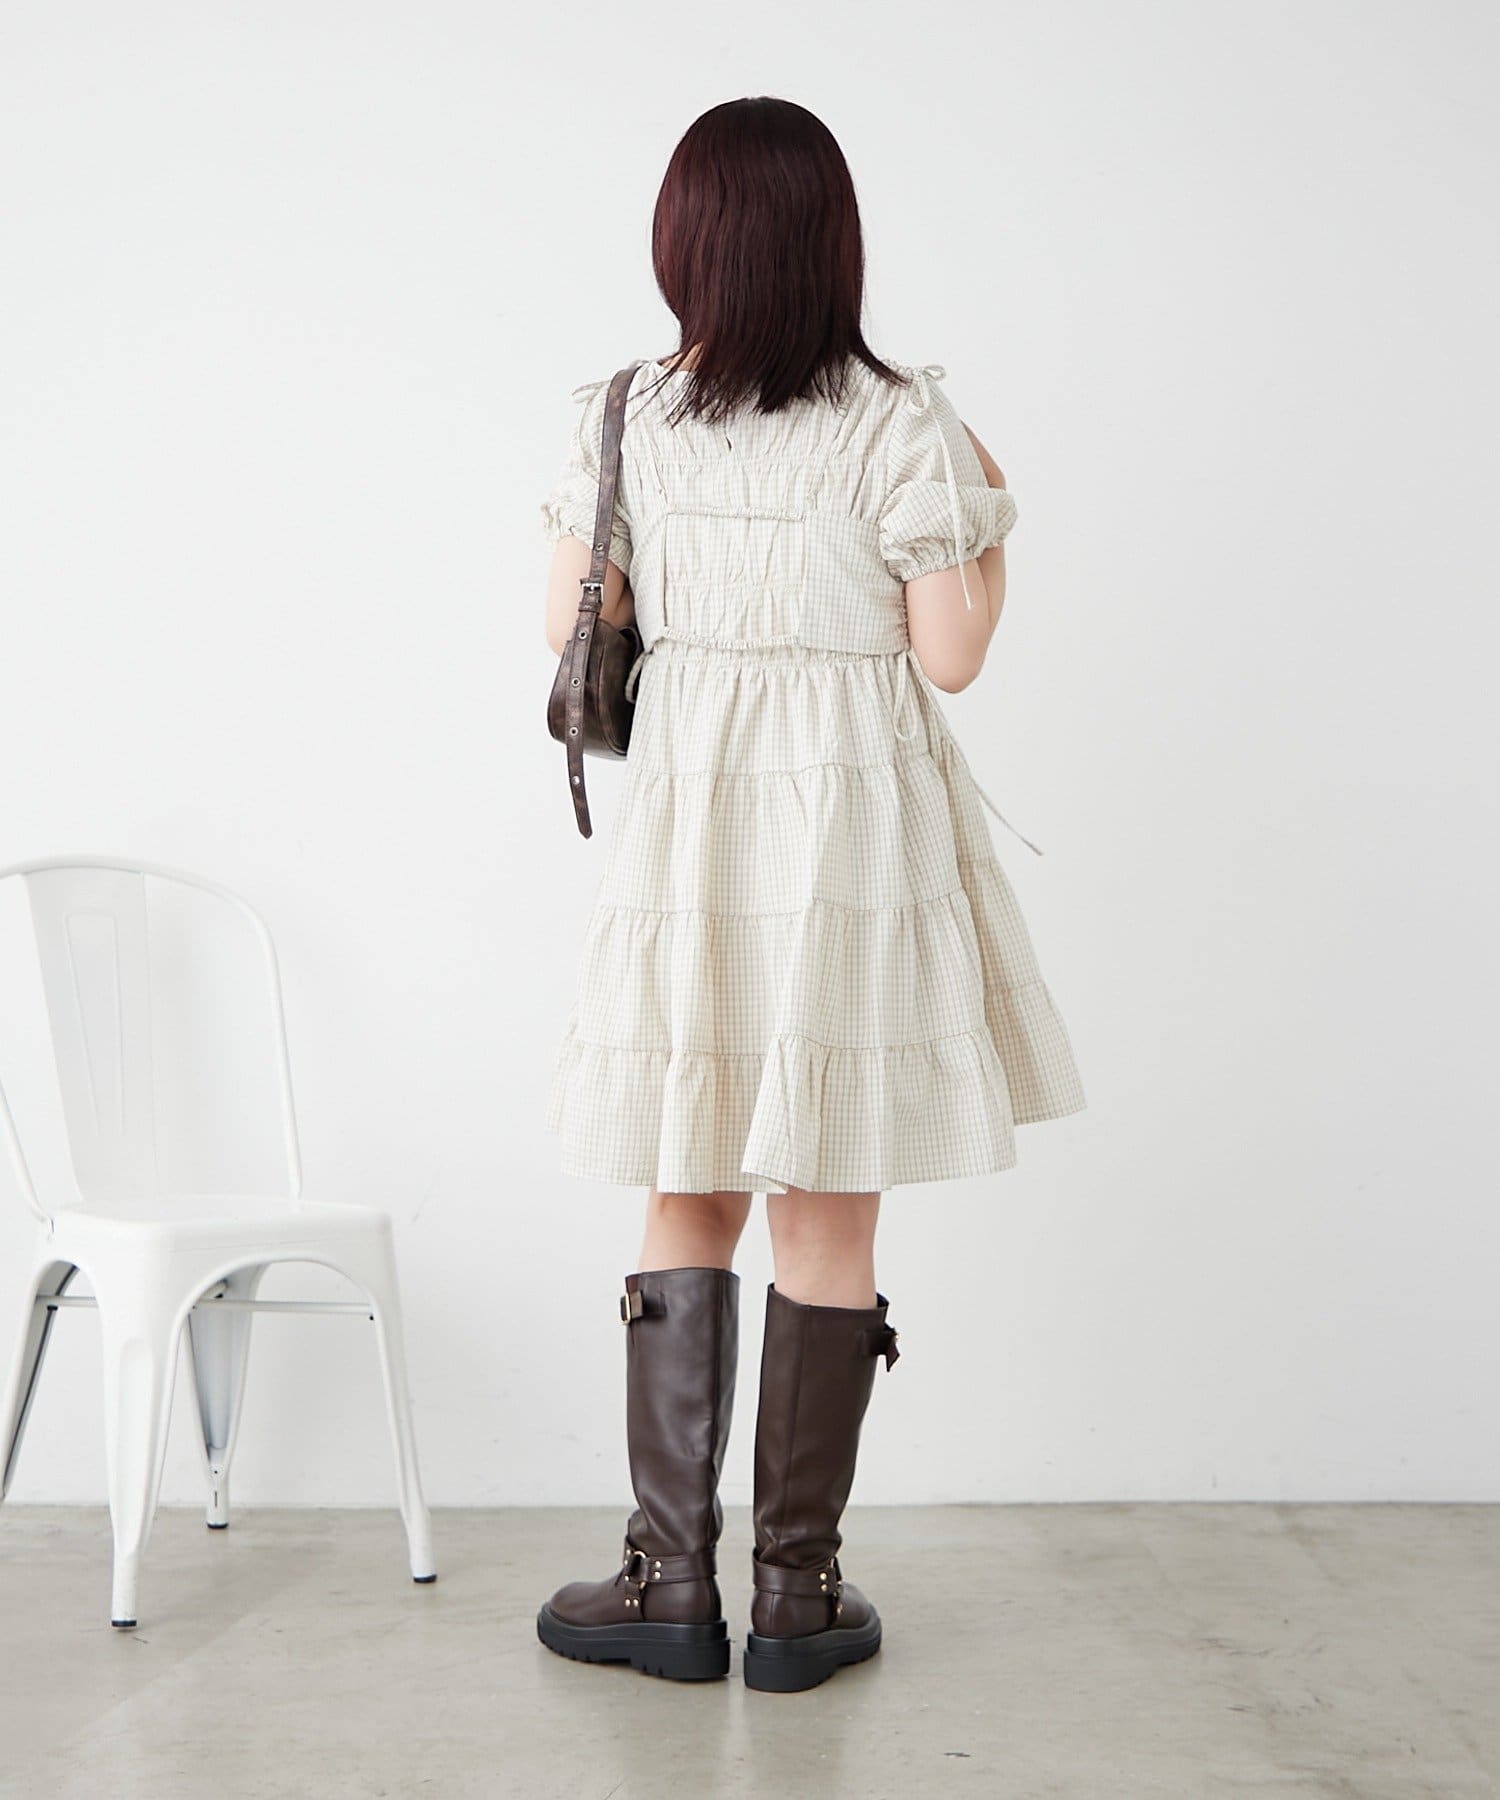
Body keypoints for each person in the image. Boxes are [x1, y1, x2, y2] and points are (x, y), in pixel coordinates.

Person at [535, 96, 1086, 1693]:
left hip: (693, 827)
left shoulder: (624, 414)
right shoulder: (903, 419)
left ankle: (665, 1585)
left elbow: (569, 629)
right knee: (826, 1200)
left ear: (684, 241)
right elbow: (952, 655)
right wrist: (994, 520)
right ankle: (796, 1597)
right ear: (837, 243)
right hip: (852, 828)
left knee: (687, 1181)